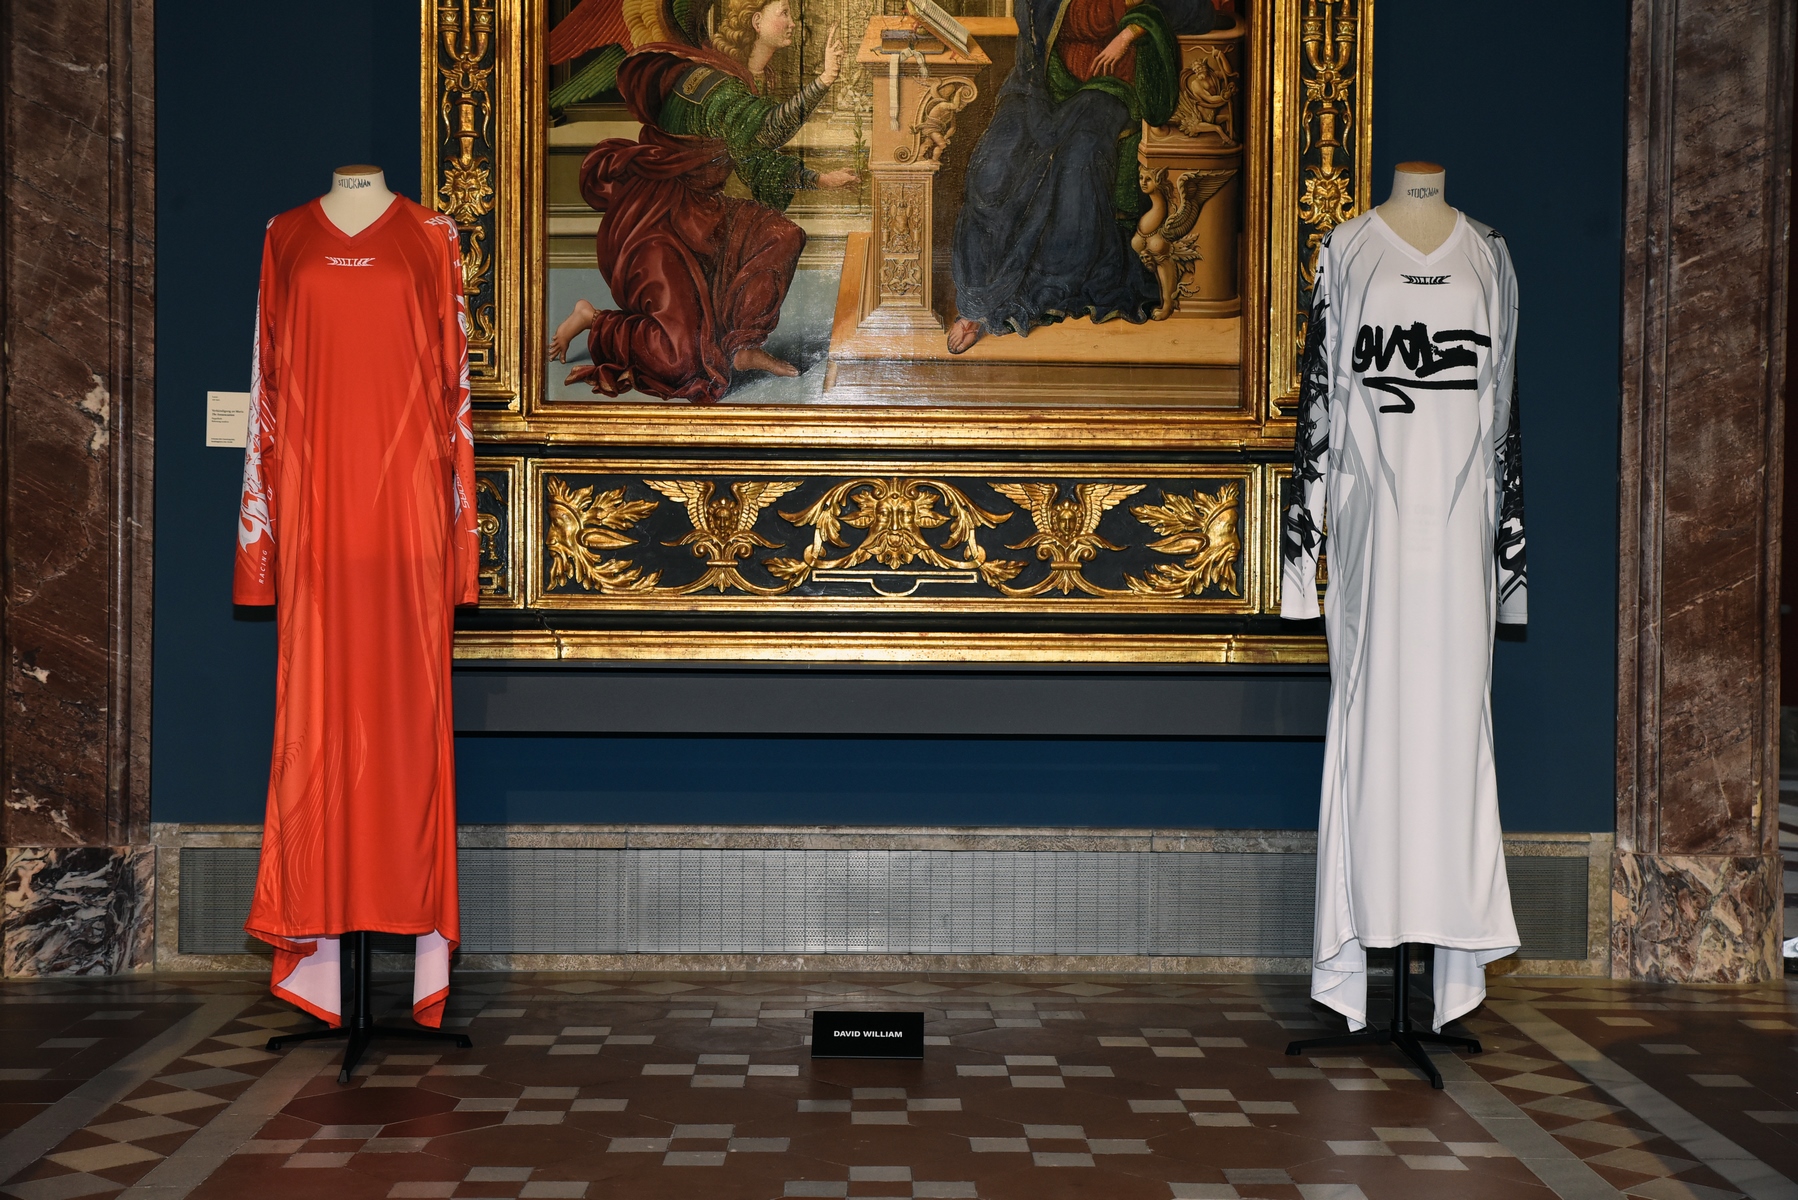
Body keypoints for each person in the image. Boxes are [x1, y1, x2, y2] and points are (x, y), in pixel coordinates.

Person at [549, 0, 857, 402]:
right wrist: (823, 80)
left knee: (782, 236)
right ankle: (594, 318)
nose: (793, 23)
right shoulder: (711, 85)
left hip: (704, 212)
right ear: (755, 21)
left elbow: (753, 157)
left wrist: (818, 179)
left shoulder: (746, 79)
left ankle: (742, 347)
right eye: (784, 11)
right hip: (659, 221)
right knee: (679, 360)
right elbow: (764, 131)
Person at [947, 0, 1217, 353]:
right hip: (1041, 83)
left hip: (1111, 84)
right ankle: (976, 300)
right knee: (993, 167)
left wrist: (1130, 31)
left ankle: (1054, 285)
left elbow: (1197, 11)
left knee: (1078, 156)